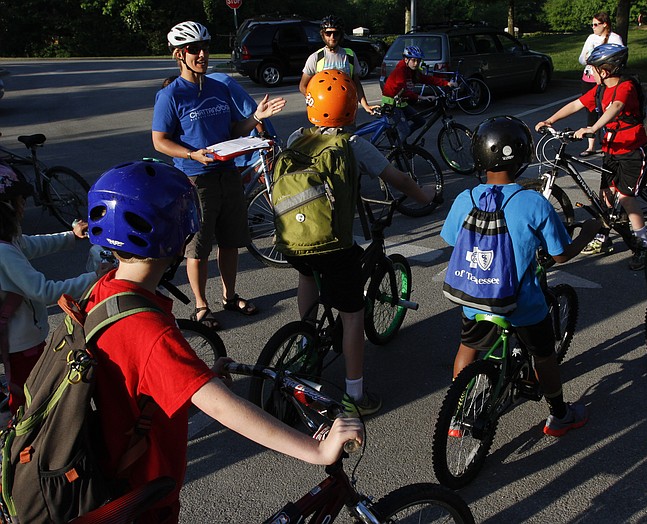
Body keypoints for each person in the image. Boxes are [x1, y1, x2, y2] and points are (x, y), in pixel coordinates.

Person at [85, 159, 363, 523]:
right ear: (179, 235)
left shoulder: (105, 292)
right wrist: (316, 450)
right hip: (144, 495)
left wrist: (194, 375)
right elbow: (222, 408)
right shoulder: (149, 329)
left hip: (112, 475)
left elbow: (138, 371)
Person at [286, 70, 436, 416]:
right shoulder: (353, 145)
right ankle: (355, 394)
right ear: (351, 108)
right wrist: (423, 195)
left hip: (295, 238)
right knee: (352, 316)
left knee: (307, 276)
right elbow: (396, 178)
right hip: (334, 245)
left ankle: (308, 339)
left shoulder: (297, 136)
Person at [441, 116, 600, 436]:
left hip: (475, 298)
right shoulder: (533, 203)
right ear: (523, 156)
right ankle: (559, 415)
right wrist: (588, 232)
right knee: (544, 355)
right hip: (520, 304)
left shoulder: (465, 198)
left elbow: (450, 239)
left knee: (467, 349)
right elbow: (561, 255)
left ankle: (456, 416)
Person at [152, 21, 286, 331]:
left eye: (205, 48)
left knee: (231, 241)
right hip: (196, 179)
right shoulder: (171, 95)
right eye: (193, 50)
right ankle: (201, 305)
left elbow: (232, 131)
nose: (201, 54)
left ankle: (229, 296)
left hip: (228, 172)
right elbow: (159, 140)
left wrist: (255, 118)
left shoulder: (218, 87)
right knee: (199, 247)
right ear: (178, 55)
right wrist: (190, 154)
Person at [0, 164, 113, 413]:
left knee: (32, 387)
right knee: (29, 398)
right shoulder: (4, 253)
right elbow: (45, 291)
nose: (23, 206)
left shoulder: (8, 240)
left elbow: (31, 244)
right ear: (6, 206)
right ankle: (21, 445)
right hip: (20, 342)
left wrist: (71, 236)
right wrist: (95, 278)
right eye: (20, 201)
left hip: (23, 335)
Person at [535, 43, 647, 271]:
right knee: (605, 197)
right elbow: (576, 104)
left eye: (593, 69)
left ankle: (643, 243)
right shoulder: (599, 90)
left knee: (626, 198)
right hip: (611, 148)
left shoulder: (625, 87)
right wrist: (550, 120)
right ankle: (604, 238)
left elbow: (616, 107)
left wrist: (593, 128)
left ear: (605, 71)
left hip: (632, 150)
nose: (589, 73)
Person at [298, 15, 377, 117]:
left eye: (336, 33)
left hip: (347, 114)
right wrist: (312, 99)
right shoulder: (316, 58)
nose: (332, 37)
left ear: (341, 35)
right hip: (323, 115)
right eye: (328, 33)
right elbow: (302, 86)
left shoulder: (350, 56)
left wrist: (365, 105)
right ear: (323, 34)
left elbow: (356, 84)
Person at [381, 45, 456, 138]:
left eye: (418, 61)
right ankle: (398, 149)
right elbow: (403, 91)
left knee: (420, 121)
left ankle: (401, 141)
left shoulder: (411, 70)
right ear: (406, 60)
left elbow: (427, 79)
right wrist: (421, 97)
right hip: (391, 103)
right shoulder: (400, 71)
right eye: (413, 60)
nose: (416, 63)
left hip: (401, 102)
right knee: (405, 131)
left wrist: (446, 83)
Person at [577, 11, 623, 157]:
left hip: (605, 79)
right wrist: (590, 58)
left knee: (607, 109)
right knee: (590, 109)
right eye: (592, 24)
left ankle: (608, 141)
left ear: (605, 24)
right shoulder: (591, 38)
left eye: (596, 24)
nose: (593, 27)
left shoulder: (615, 38)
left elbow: (619, 58)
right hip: (589, 78)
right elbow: (581, 59)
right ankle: (590, 145)